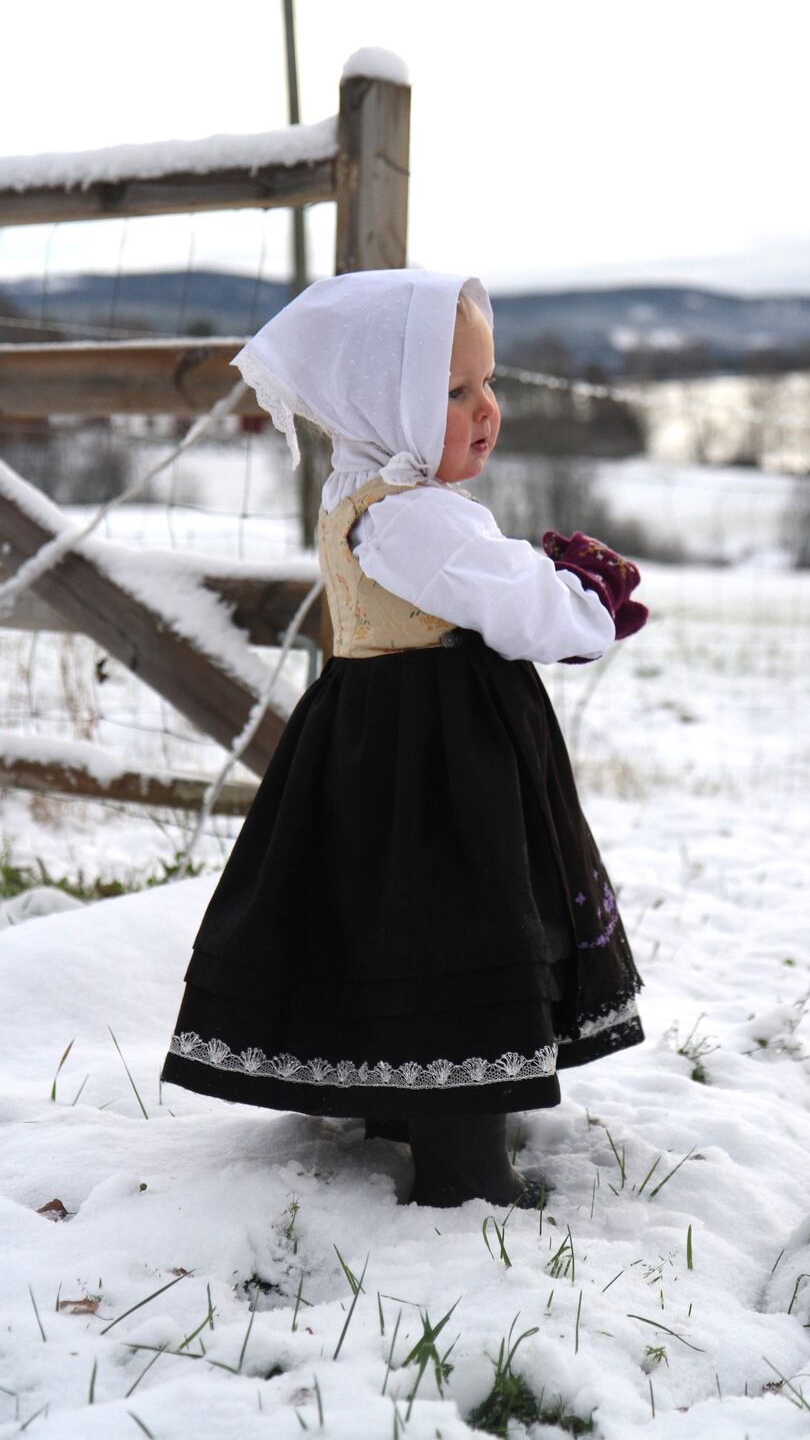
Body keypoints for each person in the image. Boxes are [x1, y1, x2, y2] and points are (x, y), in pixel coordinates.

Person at [160, 269, 648, 1208]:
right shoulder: (417, 518)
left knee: (387, 924)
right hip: (443, 767)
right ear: (378, 403)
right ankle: (464, 1168)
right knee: (460, 931)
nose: (485, 409)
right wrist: (588, 598)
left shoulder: (363, 491)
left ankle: (396, 1095)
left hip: (370, 749)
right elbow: (528, 611)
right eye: (454, 390)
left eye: (487, 382)